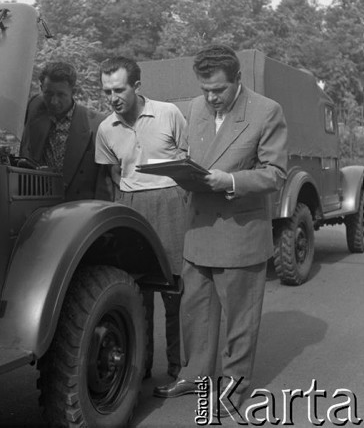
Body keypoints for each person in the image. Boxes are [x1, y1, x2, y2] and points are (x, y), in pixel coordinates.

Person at [153, 44, 288, 419]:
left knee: (239, 320)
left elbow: (276, 174)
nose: (211, 98)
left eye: (219, 90)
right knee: (195, 313)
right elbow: (191, 153)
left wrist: (229, 179)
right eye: (205, 89)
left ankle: (233, 388)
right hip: (198, 229)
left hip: (239, 233)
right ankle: (195, 378)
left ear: (238, 80)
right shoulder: (195, 108)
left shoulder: (266, 111)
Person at [95, 56, 188, 380]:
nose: (112, 97)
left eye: (119, 89)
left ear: (136, 86)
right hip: (132, 207)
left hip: (171, 203)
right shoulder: (106, 128)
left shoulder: (169, 114)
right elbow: (113, 174)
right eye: (107, 91)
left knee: (175, 291)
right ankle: (140, 368)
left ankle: (179, 368)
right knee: (137, 290)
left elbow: (189, 161)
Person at [19, 61, 109, 201]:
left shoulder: (97, 125)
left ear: (74, 91)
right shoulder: (34, 106)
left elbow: (104, 183)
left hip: (77, 208)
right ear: (42, 88)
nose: (54, 101)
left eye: (61, 95)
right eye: (48, 94)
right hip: (37, 203)